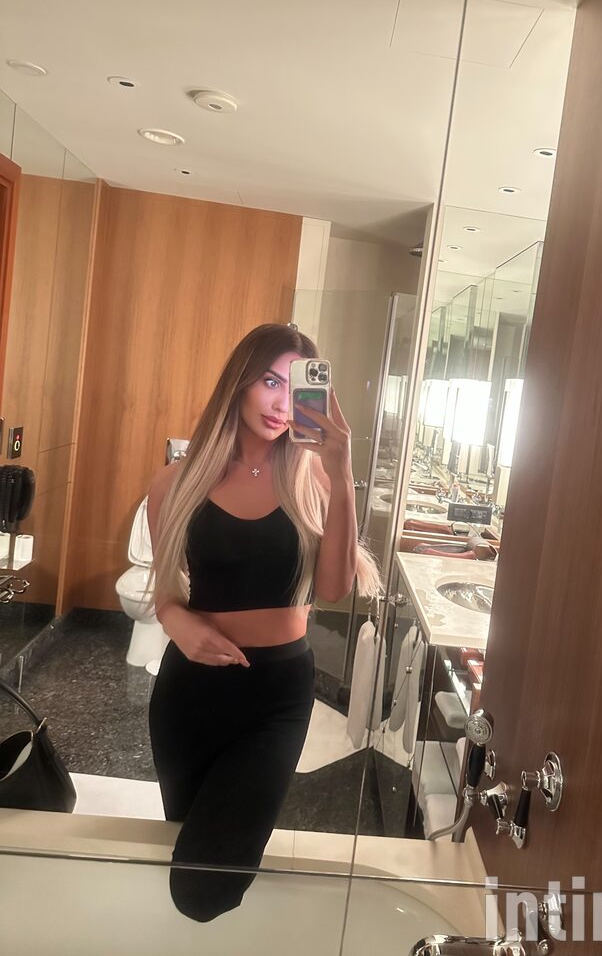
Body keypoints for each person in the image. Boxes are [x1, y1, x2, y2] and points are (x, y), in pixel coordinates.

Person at [146, 323, 380, 922]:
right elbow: (168, 594)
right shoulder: (176, 483)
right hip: (189, 693)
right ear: (240, 383)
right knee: (187, 843)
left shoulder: (315, 481)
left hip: (277, 696)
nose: (281, 403)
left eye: (295, 387)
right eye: (270, 382)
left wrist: (341, 467)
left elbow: (333, 589)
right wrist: (177, 624)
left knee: (204, 888)